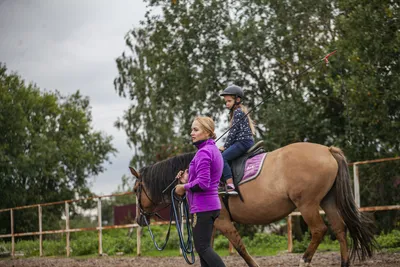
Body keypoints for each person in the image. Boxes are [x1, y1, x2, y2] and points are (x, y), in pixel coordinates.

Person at [175, 116, 226, 267]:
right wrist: (187, 180)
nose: (192, 133)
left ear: (208, 133)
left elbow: (203, 183)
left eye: (196, 129)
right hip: (211, 206)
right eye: (192, 129)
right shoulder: (213, 150)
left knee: (203, 248)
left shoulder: (203, 153)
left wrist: (183, 187)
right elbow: (204, 179)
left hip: (203, 207)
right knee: (204, 251)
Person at [219, 85, 255, 195]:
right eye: (226, 102)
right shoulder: (239, 112)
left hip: (242, 142)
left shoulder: (237, 112)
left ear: (237, 100)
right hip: (245, 141)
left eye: (229, 101)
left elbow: (233, 133)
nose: (227, 104)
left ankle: (230, 184)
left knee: (222, 158)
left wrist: (225, 146)